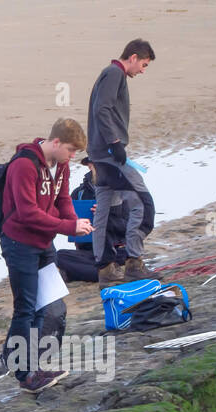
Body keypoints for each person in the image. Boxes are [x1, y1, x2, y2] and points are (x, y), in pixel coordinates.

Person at [0, 118, 93, 394]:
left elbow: (63, 199)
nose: (73, 157)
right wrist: (67, 226)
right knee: (26, 307)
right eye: (71, 150)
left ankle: (31, 363)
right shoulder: (23, 165)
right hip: (19, 244)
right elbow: (27, 213)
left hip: (44, 243)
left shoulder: (60, 165)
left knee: (51, 305)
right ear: (56, 142)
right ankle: (25, 374)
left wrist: (75, 223)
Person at [87, 39, 157, 283]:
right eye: (144, 65)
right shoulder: (114, 73)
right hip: (108, 155)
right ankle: (133, 262)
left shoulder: (112, 74)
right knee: (142, 204)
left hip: (100, 155)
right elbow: (101, 109)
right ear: (134, 57)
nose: (143, 71)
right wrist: (115, 142)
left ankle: (105, 269)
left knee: (104, 212)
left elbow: (102, 110)